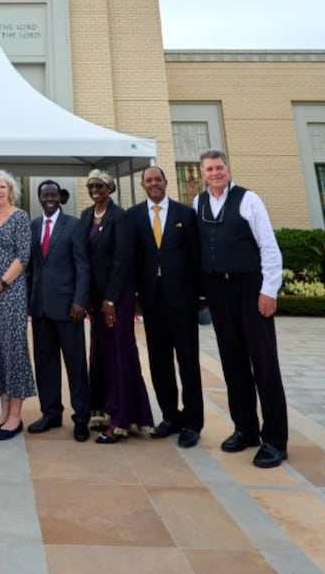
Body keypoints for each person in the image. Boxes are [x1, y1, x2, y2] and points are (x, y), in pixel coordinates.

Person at [193, 149, 289, 468]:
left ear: (228, 170)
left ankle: (275, 439)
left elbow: (268, 247)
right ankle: (245, 428)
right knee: (232, 362)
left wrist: (268, 290)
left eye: (219, 168)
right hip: (218, 290)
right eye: (209, 169)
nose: (215, 173)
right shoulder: (199, 203)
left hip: (250, 288)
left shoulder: (249, 200)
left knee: (263, 363)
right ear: (202, 174)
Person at [130, 166, 203, 448]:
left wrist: (201, 294)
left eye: (158, 179)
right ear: (143, 185)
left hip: (182, 300)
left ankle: (192, 423)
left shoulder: (186, 215)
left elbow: (196, 256)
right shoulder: (134, 216)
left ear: (166, 182)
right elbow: (132, 258)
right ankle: (170, 417)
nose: (154, 184)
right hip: (151, 300)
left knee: (187, 362)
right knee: (160, 363)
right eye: (149, 180)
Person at [80, 168, 153, 444]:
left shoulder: (120, 218)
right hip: (96, 301)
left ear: (110, 189)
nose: (95, 189)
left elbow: (123, 260)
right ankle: (103, 409)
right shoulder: (87, 216)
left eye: (100, 185)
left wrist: (110, 299)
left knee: (120, 353)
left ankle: (123, 418)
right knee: (100, 352)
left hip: (116, 299)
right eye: (91, 185)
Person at [27, 179, 91, 442]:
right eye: (45, 195)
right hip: (40, 309)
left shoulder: (74, 225)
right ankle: (51, 413)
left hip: (68, 309)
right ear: (39, 198)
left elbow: (83, 267)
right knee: (45, 364)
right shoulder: (33, 226)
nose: (50, 198)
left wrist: (80, 301)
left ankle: (81, 418)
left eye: (54, 194)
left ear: (60, 198)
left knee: (75, 364)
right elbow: (31, 268)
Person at [0, 170, 36, 440]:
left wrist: (1, 282)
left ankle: (15, 416)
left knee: (14, 350)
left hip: (10, 292)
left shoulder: (20, 217)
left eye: (3, 187)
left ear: (10, 190)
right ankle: (2, 413)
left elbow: (24, 256)